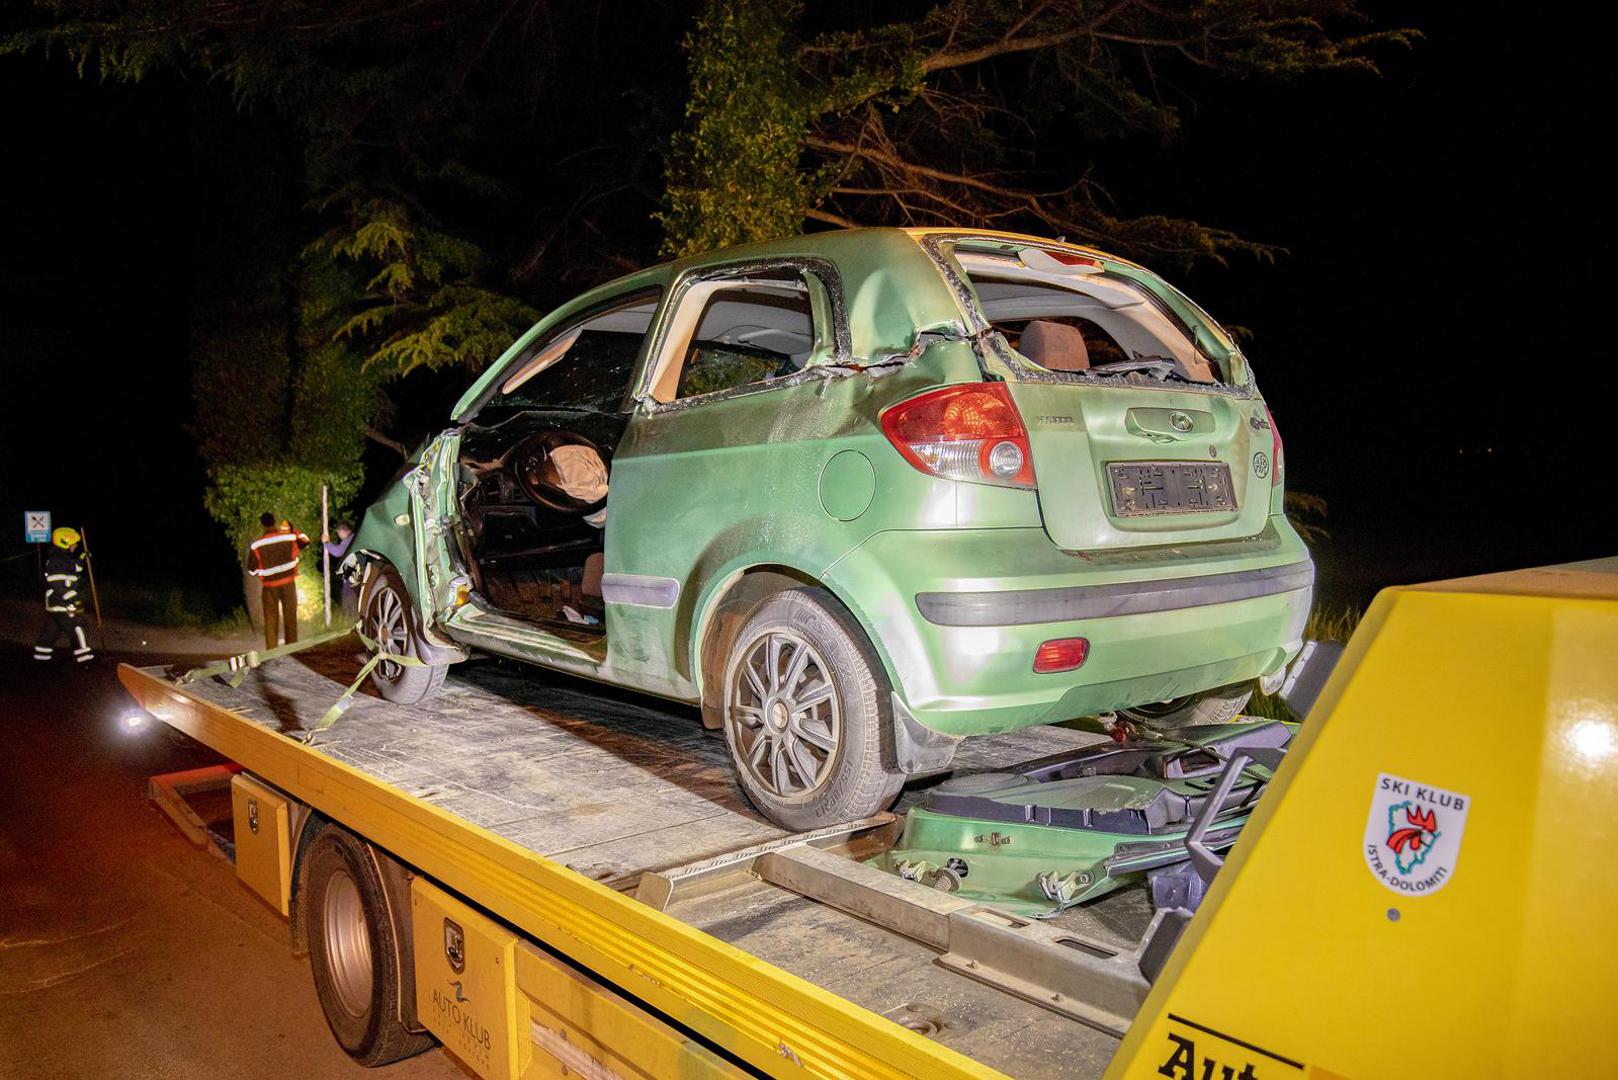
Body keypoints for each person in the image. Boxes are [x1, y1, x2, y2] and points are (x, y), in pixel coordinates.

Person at [250, 512, 310, 651]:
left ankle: (272, 653)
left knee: (270, 621)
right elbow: (305, 541)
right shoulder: (289, 537)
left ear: (263, 524)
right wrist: (293, 530)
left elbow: (251, 570)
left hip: (269, 587)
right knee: (290, 618)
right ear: (274, 522)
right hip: (288, 583)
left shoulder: (257, 545)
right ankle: (292, 650)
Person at [34, 527, 94, 665]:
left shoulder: (63, 559)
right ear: (65, 542)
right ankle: (85, 660)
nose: (76, 545)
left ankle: (40, 658)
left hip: (57, 604)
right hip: (61, 604)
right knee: (76, 629)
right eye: (73, 543)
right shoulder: (57, 561)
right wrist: (73, 598)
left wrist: (81, 559)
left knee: (52, 632)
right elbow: (58, 584)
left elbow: (73, 572)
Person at [323, 522, 356, 615]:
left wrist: (326, 542)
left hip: (353, 573)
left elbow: (337, 551)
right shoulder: (354, 538)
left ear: (342, 531)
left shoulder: (349, 540)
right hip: (356, 571)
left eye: (338, 534)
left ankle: (350, 617)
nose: (339, 536)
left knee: (348, 595)